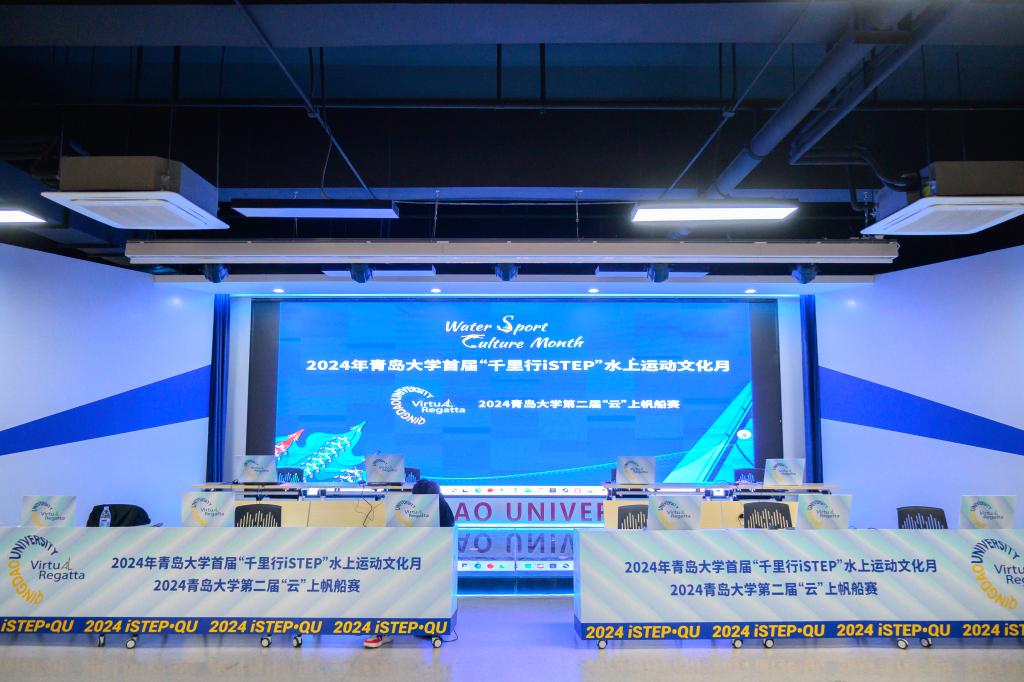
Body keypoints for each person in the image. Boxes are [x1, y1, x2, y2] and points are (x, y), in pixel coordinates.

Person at [364, 478, 454, 649]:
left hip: (411, 559)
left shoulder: (407, 505)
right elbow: (449, 527)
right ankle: (425, 626)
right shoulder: (440, 504)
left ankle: (385, 630)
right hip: (429, 560)